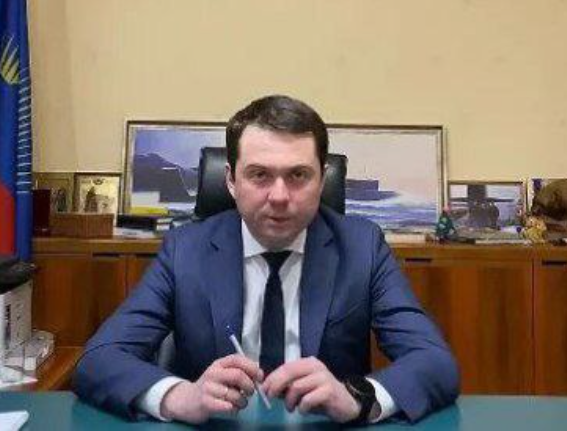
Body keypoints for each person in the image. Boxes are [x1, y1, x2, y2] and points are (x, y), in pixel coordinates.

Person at [73, 95, 459, 425]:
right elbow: (99, 359)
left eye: (298, 175)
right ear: (230, 180)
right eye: (259, 175)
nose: (279, 196)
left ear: (322, 179)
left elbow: (434, 362)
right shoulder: (185, 250)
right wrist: (181, 397)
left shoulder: (362, 248)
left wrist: (356, 398)